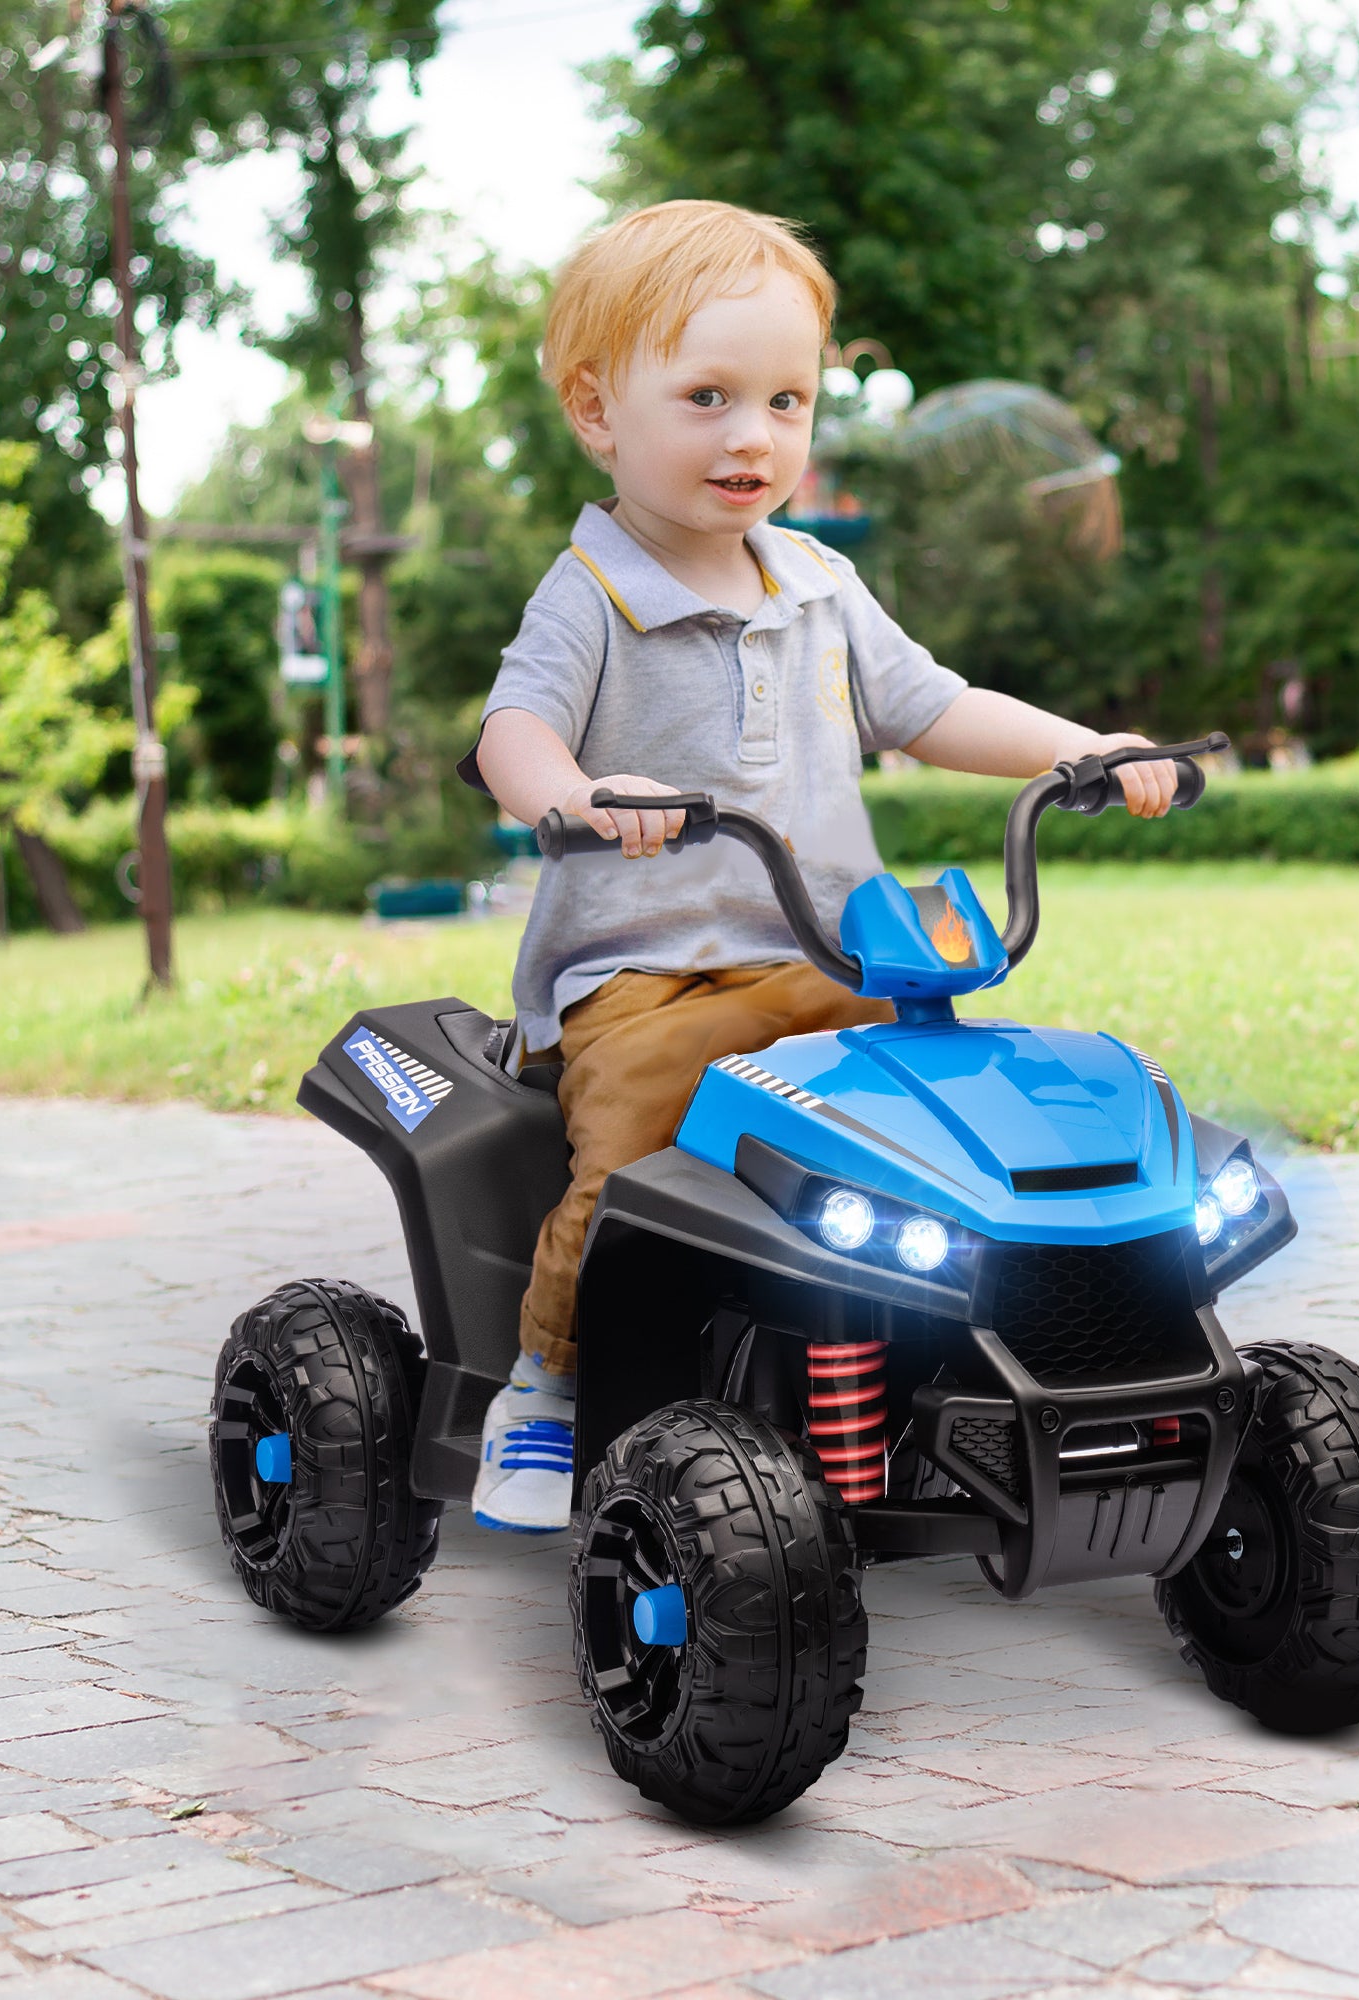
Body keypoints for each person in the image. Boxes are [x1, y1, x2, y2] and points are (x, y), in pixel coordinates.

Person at [459, 198, 1178, 1532]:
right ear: (597, 410)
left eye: (787, 401)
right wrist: (571, 791)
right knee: (628, 1151)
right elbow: (514, 730)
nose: (754, 436)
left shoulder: (820, 587)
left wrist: (1086, 748)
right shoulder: (593, 592)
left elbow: (934, 704)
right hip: (648, 981)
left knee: (951, 1125)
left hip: (830, 962)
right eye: (709, 396)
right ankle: (547, 1388)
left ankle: (964, 1362)